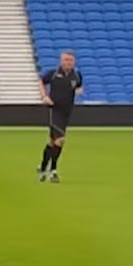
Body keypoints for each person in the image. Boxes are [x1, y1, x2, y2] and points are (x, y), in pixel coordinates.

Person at [38, 51, 84, 182]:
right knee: (60, 140)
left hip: (66, 112)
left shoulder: (76, 75)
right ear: (61, 61)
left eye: (70, 60)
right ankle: (53, 170)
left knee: (52, 142)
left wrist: (78, 92)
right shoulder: (53, 74)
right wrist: (44, 96)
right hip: (54, 110)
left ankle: (42, 167)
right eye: (65, 60)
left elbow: (79, 87)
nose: (68, 63)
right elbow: (41, 81)